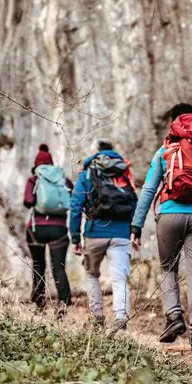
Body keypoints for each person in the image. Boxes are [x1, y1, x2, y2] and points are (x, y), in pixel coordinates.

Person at [131, 103, 192, 351]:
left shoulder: (165, 151)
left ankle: (173, 317)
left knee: (167, 267)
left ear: (175, 123)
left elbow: (149, 189)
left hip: (170, 214)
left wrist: (136, 225)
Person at [70, 139, 138, 332]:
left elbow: (76, 206)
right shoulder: (124, 170)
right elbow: (135, 202)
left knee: (91, 275)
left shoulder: (89, 172)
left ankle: (97, 318)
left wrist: (75, 237)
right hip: (122, 234)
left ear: (96, 152)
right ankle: (120, 319)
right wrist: (134, 231)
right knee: (120, 279)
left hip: (94, 232)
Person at [23, 144, 73, 314]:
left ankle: (39, 303)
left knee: (38, 265)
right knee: (58, 266)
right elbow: (71, 198)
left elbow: (28, 201)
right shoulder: (63, 179)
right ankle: (63, 303)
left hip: (37, 229)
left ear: (37, 165)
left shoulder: (34, 179)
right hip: (59, 230)